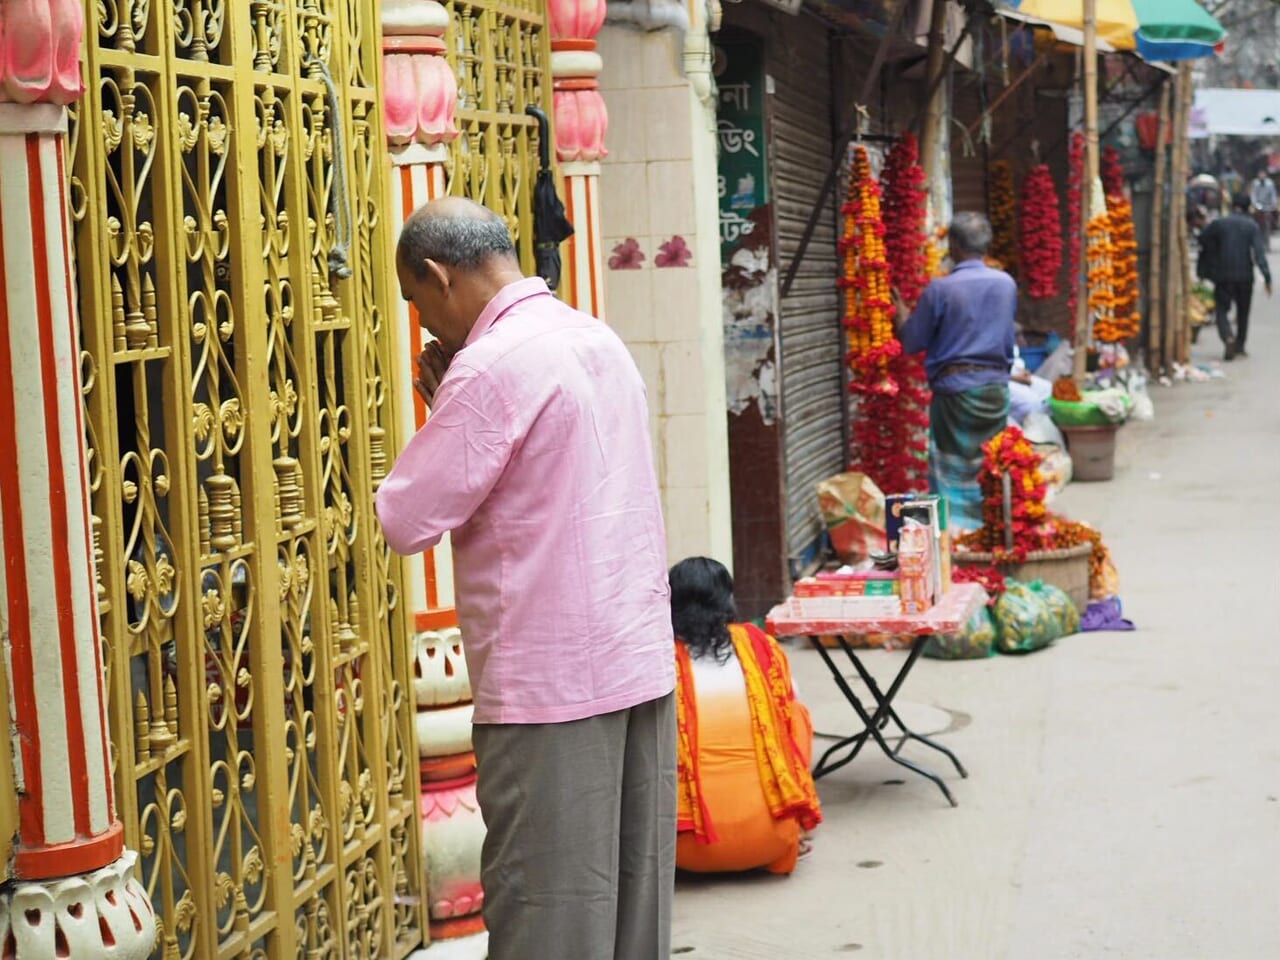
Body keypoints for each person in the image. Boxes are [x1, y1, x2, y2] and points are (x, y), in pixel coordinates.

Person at [375, 198, 676, 960]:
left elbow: (407, 518)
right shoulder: (594, 337)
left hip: (551, 687)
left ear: (440, 277)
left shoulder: (491, 364)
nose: (424, 323)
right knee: (629, 905)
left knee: (549, 912)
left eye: (417, 302)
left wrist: (445, 404)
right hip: (635, 663)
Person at [669, 557, 821, 876]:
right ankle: (789, 824)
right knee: (796, 714)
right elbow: (789, 699)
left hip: (684, 853)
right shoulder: (758, 644)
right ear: (727, 600)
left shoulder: (658, 658)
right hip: (772, 842)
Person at [894, 212, 1016, 531]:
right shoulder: (1006, 284)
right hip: (995, 390)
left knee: (949, 470)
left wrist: (902, 314)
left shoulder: (941, 290)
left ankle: (957, 537)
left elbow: (911, 341)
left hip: (955, 394)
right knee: (991, 465)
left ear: (955, 246)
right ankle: (992, 531)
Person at [1197, 192, 1273, 360]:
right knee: (1243, 311)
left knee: (1221, 309)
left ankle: (1227, 337)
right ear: (1248, 208)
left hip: (1223, 275)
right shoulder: (1252, 226)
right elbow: (1259, 254)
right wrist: (1267, 278)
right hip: (1245, 276)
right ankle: (1240, 346)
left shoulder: (1219, 224)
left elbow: (1202, 239)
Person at [1250, 169, 1277, 250]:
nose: (1262, 176)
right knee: (1258, 227)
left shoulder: (1270, 183)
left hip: (1268, 207)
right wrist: (1256, 205)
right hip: (1258, 208)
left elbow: (1273, 195)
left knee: (1267, 227)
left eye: (1263, 174)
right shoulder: (1255, 183)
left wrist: (1273, 205)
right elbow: (1253, 195)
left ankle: (1267, 245)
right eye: (1260, 174)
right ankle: (1260, 245)